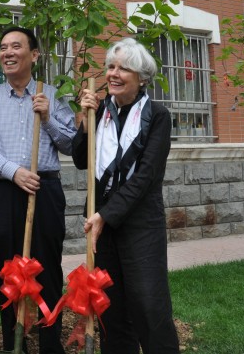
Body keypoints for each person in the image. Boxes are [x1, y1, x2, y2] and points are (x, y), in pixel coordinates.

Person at [0, 27, 76, 353]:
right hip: (4, 192)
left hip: (45, 191)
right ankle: (13, 344)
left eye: (16, 46)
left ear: (34, 55)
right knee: (7, 270)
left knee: (47, 268)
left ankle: (49, 345)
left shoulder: (53, 96)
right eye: (3, 47)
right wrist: (14, 172)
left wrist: (47, 119)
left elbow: (72, 144)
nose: (8, 53)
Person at [72, 37, 179, 353]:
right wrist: (83, 119)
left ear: (142, 78)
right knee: (111, 308)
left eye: (124, 69)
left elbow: (146, 177)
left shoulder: (157, 115)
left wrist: (106, 215)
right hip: (101, 219)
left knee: (148, 303)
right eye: (111, 66)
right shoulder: (99, 110)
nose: (114, 74)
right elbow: (81, 160)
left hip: (140, 221)